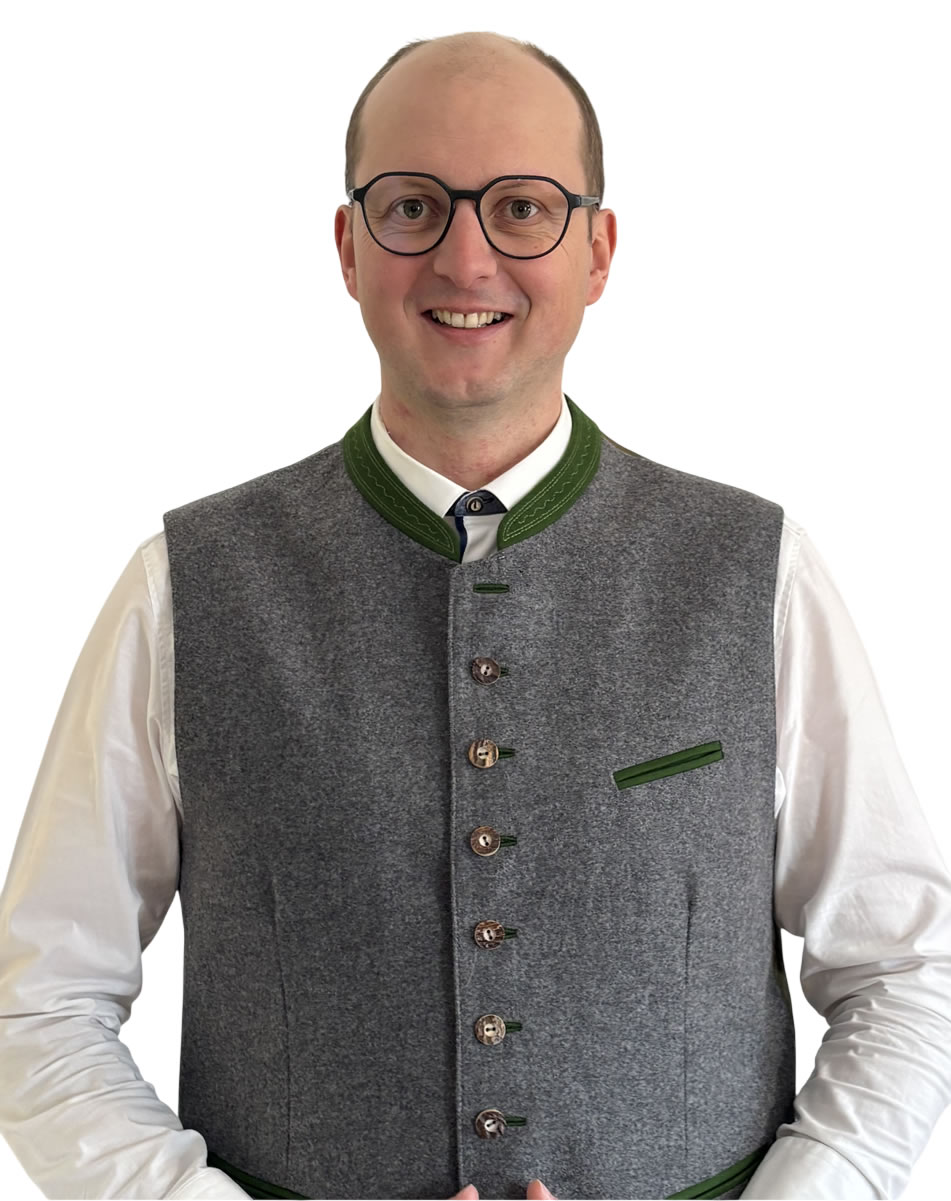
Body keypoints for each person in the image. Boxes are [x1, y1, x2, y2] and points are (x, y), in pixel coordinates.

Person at [2, 27, 951, 1201]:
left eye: (521, 209)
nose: (465, 258)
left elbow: (908, 966)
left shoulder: (757, 573)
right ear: (348, 247)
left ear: (598, 251)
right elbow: (39, 998)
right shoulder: (185, 588)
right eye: (412, 207)